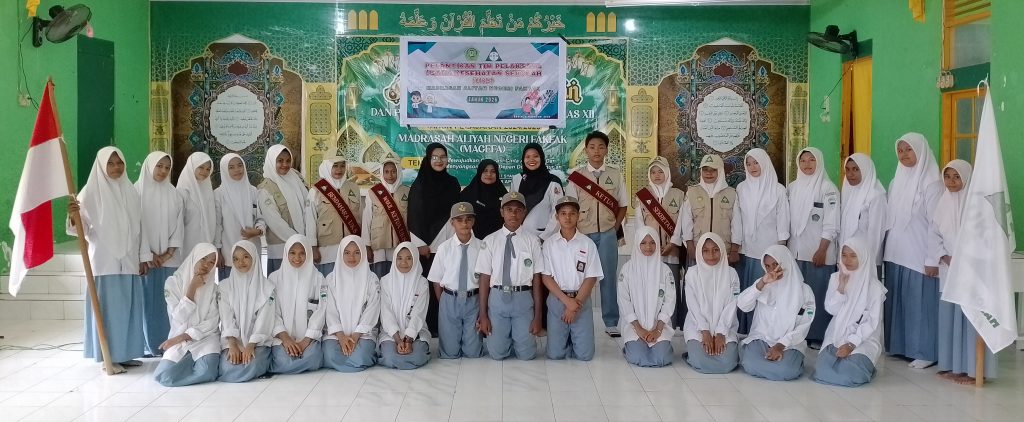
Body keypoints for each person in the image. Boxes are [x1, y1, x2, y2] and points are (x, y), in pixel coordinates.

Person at [68, 146, 147, 373]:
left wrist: (142, 256)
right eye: (110, 163)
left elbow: (139, 227)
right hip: (104, 261)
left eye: (119, 163)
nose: (116, 167)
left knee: (128, 310)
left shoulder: (130, 191)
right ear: (102, 166)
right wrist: (73, 217)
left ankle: (125, 353)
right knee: (109, 312)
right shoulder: (89, 193)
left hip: (128, 261)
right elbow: (80, 229)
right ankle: (108, 357)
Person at [931, 160, 996, 384]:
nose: (951, 181)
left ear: (967, 178)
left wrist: (965, 259)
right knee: (951, 318)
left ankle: (975, 370)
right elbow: (933, 234)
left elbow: (985, 237)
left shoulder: (978, 205)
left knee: (970, 319)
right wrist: (945, 256)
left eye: (956, 177)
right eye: (947, 176)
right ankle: (954, 367)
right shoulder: (943, 203)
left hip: (972, 272)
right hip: (949, 270)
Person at [883, 133, 943, 369]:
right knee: (900, 302)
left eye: (909, 149)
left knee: (921, 304)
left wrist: (933, 258)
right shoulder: (896, 181)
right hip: (896, 252)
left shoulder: (932, 183)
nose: (904, 154)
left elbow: (937, 224)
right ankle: (901, 347)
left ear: (921, 151)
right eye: (900, 150)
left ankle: (926, 351)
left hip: (920, 255)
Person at [564, 131, 628, 337]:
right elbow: (570, 207)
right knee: (578, 278)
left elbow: (623, 205)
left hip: (608, 234)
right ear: (586, 150)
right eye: (592, 147)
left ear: (607, 150)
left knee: (608, 278)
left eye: (601, 147)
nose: (596, 151)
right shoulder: (577, 177)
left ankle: (611, 321)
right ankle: (575, 316)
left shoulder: (616, 175)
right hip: (583, 235)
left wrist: (614, 228)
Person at [476, 192, 545, 360]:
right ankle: (506, 338)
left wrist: (538, 316)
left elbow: (537, 279)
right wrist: (483, 314)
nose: (513, 214)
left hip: (523, 299)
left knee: (527, 355)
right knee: (497, 354)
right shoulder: (489, 241)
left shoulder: (533, 241)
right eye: (509, 210)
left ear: (524, 212)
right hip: (498, 299)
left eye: (518, 210)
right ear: (502, 212)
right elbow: (484, 279)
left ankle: (518, 338)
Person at [813, 238, 886, 387]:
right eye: (844, 255)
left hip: (863, 339)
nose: (847, 260)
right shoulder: (836, 278)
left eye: (853, 256)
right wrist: (841, 288)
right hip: (837, 334)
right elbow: (831, 309)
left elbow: (871, 322)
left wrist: (851, 344)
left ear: (863, 257)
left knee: (851, 375)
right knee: (821, 371)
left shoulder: (874, 288)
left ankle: (865, 367)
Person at [786, 147, 839, 347]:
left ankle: (817, 335)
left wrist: (822, 249)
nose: (807, 164)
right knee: (799, 294)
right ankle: (799, 333)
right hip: (796, 251)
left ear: (819, 162)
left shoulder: (828, 188)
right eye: (803, 161)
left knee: (818, 293)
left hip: (819, 252)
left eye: (811, 160)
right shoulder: (792, 187)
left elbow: (832, 223)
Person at [737, 246, 815, 381]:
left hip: (789, 343)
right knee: (750, 364)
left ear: (786, 262)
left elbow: (804, 324)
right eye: (767, 266)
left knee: (787, 370)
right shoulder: (762, 283)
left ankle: (790, 363)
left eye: (776, 264)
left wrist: (780, 345)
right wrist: (762, 283)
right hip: (761, 338)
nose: (772, 270)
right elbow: (743, 305)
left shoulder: (804, 290)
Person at [733, 148, 790, 334]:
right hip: (746, 250)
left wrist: (780, 250)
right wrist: (736, 245)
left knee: (767, 291)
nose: (752, 167)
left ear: (764, 163)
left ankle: (763, 330)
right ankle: (745, 328)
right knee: (749, 291)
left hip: (768, 252)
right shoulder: (741, 188)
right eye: (748, 164)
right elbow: (737, 220)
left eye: (756, 162)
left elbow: (783, 221)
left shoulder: (778, 190)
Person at [408, 143, 462, 336]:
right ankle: (428, 327)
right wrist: (420, 244)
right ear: (428, 159)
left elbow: (456, 213)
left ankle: (446, 326)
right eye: (435, 157)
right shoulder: (419, 184)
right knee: (428, 289)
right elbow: (413, 215)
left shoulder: (453, 183)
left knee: (446, 285)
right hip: (426, 249)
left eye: (443, 157)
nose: (439, 160)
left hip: (448, 244)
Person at [541, 196, 603, 360]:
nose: (567, 217)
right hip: (557, 299)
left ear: (578, 216)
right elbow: (546, 277)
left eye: (572, 213)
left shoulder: (587, 244)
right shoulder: (549, 244)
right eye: (563, 213)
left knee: (585, 355)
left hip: (581, 300)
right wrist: (567, 302)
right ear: (557, 217)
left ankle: (573, 336)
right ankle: (566, 337)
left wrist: (574, 304)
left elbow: (591, 277)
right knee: (555, 355)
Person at [135, 151, 183, 357]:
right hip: (146, 259)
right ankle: (149, 344)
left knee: (169, 303)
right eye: (159, 166)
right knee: (148, 302)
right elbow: (136, 226)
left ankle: (168, 343)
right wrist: (147, 254)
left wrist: (167, 253)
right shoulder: (136, 192)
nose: (163, 171)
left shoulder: (174, 194)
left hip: (169, 259)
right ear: (149, 166)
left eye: (167, 167)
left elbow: (179, 225)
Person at [153, 243, 220, 387]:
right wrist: (192, 288)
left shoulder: (214, 289)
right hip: (178, 337)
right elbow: (178, 317)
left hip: (206, 338)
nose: (206, 265)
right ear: (194, 257)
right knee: (165, 377)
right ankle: (189, 363)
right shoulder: (173, 283)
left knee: (207, 371)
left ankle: (190, 364)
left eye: (211, 262)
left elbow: (212, 323)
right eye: (203, 259)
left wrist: (183, 337)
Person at [633, 156, 685, 328]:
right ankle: (651, 322)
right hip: (650, 251)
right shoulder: (643, 196)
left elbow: (682, 223)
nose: (657, 175)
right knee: (651, 287)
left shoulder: (679, 195)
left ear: (667, 173)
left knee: (671, 287)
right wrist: (647, 246)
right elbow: (640, 224)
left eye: (660, 171)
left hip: (672, 251)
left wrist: (673, 243)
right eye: (653, 172)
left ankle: (672, 323)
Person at [428, 202, 485, 359]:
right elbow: (436, 280)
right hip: (449, 299)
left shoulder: (482, 247)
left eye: (468, 219)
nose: (464, 224)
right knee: (449, 353)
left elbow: (485, 279)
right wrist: (443, 302)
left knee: (473, 353)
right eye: (459, 220)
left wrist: (483, 307)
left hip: (473, 299)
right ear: (452, 222)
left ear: (473, 221)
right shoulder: (444, 248)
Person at [617, 227, 676, 367]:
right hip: (634, 326)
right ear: (637, 244)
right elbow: (624, 300)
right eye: (643, 243)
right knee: (638, 357)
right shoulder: (627, 269)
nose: (648, 247)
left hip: (659, 326)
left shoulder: (665, 270)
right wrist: (639, 329)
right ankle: (631, 346)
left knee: (662, 358)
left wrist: (658, 330)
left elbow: (669, 301)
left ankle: (660, 345)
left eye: (652, 242)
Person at [217, 240, 275, 382]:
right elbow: (226, 318)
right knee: (228, 367)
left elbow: (265, 320)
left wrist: (250, 345)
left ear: (254, 257)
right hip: (232, 341)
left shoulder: (267, 287)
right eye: (236, 259)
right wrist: (233, 344)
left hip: (258, 342)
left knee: (251, 364)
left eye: (245, 257)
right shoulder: (224, 287)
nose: (240, 262)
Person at [269, 235, 327, 374]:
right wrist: (286, 339)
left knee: (313, 360)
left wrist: (305, 341)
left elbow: (321, 310)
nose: (297, 258)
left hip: (308, 337)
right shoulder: (274, 278)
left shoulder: (318, 278)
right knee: (283, 360)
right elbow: (271, 312)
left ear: (308, 254)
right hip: (282, 337)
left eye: (302, 253)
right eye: (293, 253)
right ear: (286, 253)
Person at [683, 233, 740, 374]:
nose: (711, 255)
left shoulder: (731, 274)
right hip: (698, 327)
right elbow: (693, 306)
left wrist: (721, 332)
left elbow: (732, 305)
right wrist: (705, 331)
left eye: (715, 250)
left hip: (726, 327)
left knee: (728, 363)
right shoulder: (692, 274)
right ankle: (692, 353)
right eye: (706, 251)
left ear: (722, 250)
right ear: (699, 252)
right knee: (700, 361)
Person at [322, 235, 380, 372]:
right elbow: (329, 310)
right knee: (330, 354)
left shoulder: (371, 279)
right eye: (347, 253)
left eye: (357, 252)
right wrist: (341, 336)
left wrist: (355, 335)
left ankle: (352, 360)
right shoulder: (331, 279)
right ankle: (353, 360)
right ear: (340, 254)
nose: (351, 257)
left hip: (363, 332)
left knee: (362, 355)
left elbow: (372, 309)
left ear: (363, 253)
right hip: (336, 333)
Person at [362, 158, 427, 278]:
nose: (390, 175)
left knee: (398, 276)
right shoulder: (373, 192)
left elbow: (414, 219)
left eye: (393, 171)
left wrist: (417, 243)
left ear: (398, 172)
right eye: (386, 172)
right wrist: (366, 245)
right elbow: (367, 219)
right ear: (382, 173)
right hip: (379, 243)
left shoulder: (407, 191)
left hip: (400, 241)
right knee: (379, 276)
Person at [671, 154, 738, 267]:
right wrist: (690, 245)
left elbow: (736, 223)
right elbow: (686, 221)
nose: (708, 173)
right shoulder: (692, 192)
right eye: (705, 169)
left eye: (713, 170)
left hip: (723, 250)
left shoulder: (731, 193)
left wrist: (734, 250)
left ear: (720, 171)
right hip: (698, 249)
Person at [258, 145, 314, 274]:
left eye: (288, 161)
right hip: (281, 250)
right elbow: (276, 223)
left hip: (304, 248)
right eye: (280, 161)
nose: (285, 164)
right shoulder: (265, 188)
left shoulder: (296, 177)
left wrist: (308, 241)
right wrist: (298, 242)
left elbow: (308, 207)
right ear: (272, 161)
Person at [378, 243, 432, 369]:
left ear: (415, 259)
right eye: (400, 258)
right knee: (390, 358)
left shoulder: (422, 282)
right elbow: (386, 313)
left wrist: (408, 339)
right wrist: (398, 340)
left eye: (409, 258)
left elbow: (419, 313)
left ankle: (412, 353)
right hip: (391, 334)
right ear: (394, 259)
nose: (404, 262)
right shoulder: (385, 281)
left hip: (416, 332)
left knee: (417, 356)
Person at [308, 158, 363, 276]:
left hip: (351, 251)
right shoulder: (316, 191)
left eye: (342, 166)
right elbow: (310, 220)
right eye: (335, 166)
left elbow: (360, 216)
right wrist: (312, 246)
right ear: (327, 166)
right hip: (326, 250)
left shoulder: (354, 188)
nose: (339, 170)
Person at [215, 153, 265, 280]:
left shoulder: (253, 191)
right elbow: (217, 225)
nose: (237, 170)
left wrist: (258, 231)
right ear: (224, 170)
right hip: (229, 253)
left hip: (252, 250)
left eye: (239, 165)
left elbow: (261, 217)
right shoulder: (219, 194)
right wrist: (218, 251)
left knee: (253, 288)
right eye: (231, 167)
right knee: (229, 289)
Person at [839, 153, 887, 267]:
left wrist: (867, 261)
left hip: (866, 260)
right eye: (847, 169)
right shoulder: (849, 192)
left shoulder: (876, 195)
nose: (850, 174)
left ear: (866, 170)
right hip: (847, 259)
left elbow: (876, 233)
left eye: (855, 169)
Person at [511, 143, 563, 241]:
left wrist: (545, 237)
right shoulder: (517, 179)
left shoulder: (553, 182)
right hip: (519, 238)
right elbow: (512, 207)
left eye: (535, 156)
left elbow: (558, 212)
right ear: (523, 159)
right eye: (527, 157)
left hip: (542, 238)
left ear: (541, 158)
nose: (531, 160)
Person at [177, 152, 217, 263]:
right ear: (192, 166)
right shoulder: (182, 192)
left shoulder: (208, 190)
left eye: (208, 169)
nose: (205, 171)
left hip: (206, 244)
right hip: (187, 245)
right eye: (201, 167)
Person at [459, 159, 507, 239]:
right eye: (485, 171)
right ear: (479, 172)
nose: (489, 174)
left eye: (493, 171)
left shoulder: (504, 194)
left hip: (498, 240)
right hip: (472, 240)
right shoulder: (467, 194)